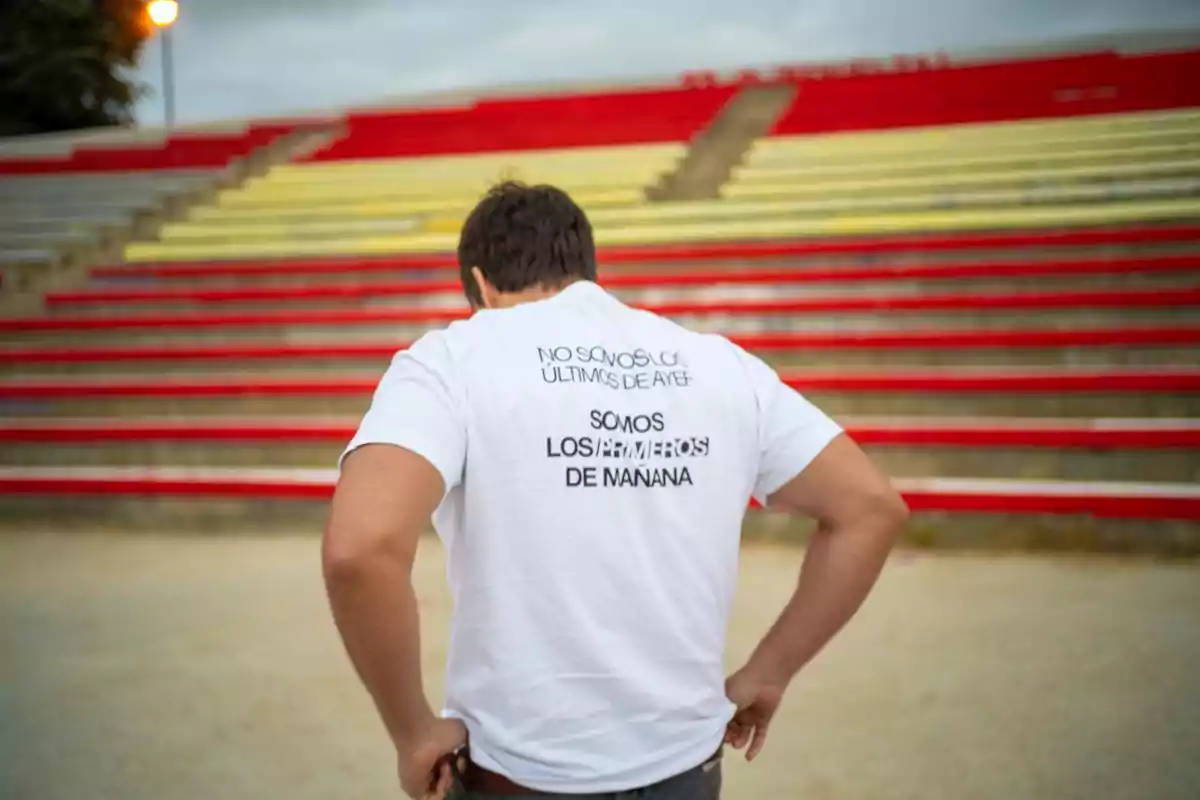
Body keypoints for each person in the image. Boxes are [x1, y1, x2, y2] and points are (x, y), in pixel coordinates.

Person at [323, 182, 908, 799]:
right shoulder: (719, 364)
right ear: (583, 267)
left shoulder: (454, 358)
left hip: (523, 772)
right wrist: (771, 671)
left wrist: (413, 732)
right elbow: (869, 508)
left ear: (482, 285)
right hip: (687, 767)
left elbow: (360, 548)